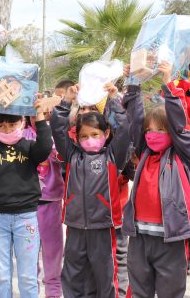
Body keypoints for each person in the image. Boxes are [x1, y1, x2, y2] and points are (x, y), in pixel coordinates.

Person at [50, 84, 130, 298]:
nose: (89, 139)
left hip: (103, 226)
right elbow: (57, 130)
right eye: (84, 136)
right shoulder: (72, 155)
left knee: (106, 276)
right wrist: (66, 102)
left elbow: (124, 133)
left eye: (95, 134)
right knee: (73, 274)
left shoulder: (113, 157)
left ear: (106, 133)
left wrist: (114, 101)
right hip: (76, 226)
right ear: (77, 137)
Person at [0, 97, 53, 298]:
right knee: (2, 276)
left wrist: (39, 115)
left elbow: (45, 147)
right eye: (1, 125)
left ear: (22, 122)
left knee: (27, 275)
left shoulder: (30, 147)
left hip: (26, 219)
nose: (7, 130)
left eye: (12, 124)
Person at [122, 62, 190, 298]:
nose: (153, 135)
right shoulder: (144, 153)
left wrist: (169, 81)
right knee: (140, 292)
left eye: (160, 130)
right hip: (140, 239)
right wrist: (132, 83)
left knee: (170, 293)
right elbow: (134, 119)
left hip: (170, 239)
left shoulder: (182, 154)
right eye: (149, 130)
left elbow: (181, 128)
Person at [23, 112, 64, 298]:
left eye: (43, 113)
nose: (38, 118)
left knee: (52, 249)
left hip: (51, 200)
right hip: (27, 203)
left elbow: (61, 156)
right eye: (33, 115)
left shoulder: (54, 134)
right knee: (28, 250)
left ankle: (53, 288)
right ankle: (31, 288)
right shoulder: (21, 134)